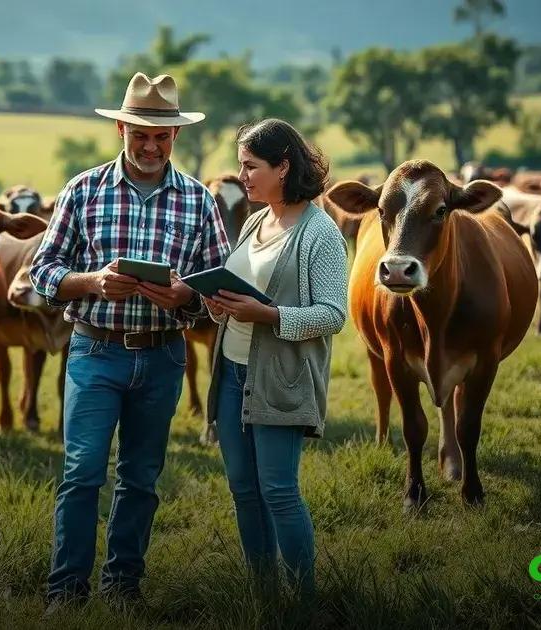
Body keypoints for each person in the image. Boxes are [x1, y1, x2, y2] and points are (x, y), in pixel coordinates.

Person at [30, 72, 229, 609]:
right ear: (120, 128)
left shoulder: (198, 201)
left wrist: (186, 298)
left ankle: (123, 588)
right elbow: (42, 271)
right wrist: (91, 281)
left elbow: (220, 291)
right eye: (140, 133)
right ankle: (65, 591)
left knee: (141, 476)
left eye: (161, 136)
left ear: (176, 137)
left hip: (164, 355)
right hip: (94, 349)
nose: (150, 145)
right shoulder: (82, 190)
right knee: (82, 470)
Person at [203, 118, 348, 594]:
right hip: (231, 373)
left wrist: (267, 315)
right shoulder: (253, 220)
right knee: (244, 489)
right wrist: (217, 301)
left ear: (283, 167)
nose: (242, 176)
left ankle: (303, 596)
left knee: (280, 491)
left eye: (251, 166)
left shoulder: (319, 232)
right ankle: (262, 591)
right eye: (241, 166)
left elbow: (331, 314)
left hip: (280, 377)